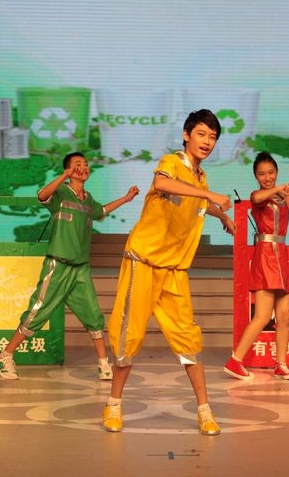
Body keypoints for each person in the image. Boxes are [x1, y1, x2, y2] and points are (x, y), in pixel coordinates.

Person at [102, 109, 236, 436]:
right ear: (187, 135)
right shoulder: (172, 162)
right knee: (129, 336)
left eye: (213, 137)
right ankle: (114, 404)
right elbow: (162, 183)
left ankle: (204, 411)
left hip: (174, 268)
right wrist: (208, 195)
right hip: (143, 260)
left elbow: (198, 202)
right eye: (202, 134)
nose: (207, 142)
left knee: (188, 337)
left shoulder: (200, 177)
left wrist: (221, 215)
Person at [0, 152, 139, 381]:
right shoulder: (60, 193)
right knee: (38, 312)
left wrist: (126, 198)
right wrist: (63, 176)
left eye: (85, 164)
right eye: (77, 164)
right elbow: (42, 196)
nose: (83, 167)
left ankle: (103, 363)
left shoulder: (88, 199)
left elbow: (101, 211)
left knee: (93, 314)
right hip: (58, 265)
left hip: (80, 268)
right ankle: (5, 355)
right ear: (68, 170)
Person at [223, 152, 289, 381]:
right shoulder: (258, 196)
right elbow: (256, 198)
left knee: (284, 315)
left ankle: (281, 365)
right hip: (266, 256)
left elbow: (287, 204)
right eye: (262, 174)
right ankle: (235, 360)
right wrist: (277, 188)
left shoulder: (278, 197)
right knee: (263, 315)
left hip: (281, 256)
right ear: (256, 176)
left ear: (276, 172)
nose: (267, 177)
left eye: (271, 173)